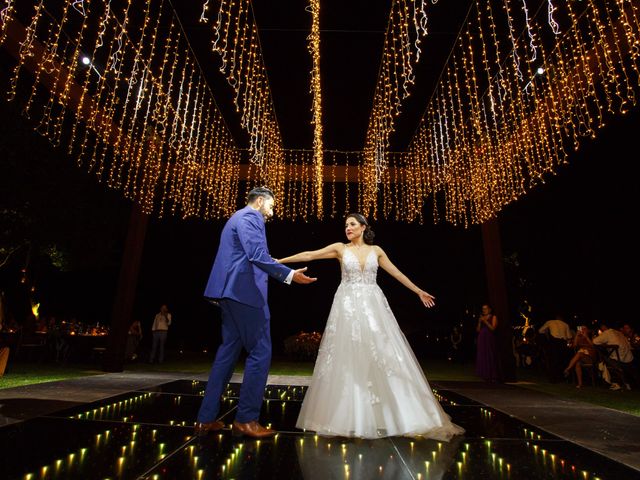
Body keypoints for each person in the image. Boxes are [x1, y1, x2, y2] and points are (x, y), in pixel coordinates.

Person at [278, 213, 463, 440]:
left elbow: (396, 272)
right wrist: (278, 262)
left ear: (364, 227)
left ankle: (398, 413)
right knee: (349, 356)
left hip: (374, 305)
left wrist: (418, 291)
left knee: (384, 353)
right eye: (346, 225)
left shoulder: (377, 251)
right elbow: (310, 254)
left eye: (352, 224)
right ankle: (350, 415)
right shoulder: (340, 248)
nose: (348, 228)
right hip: (347, 306)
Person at [195, 187, 316, 439]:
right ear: (259, 201)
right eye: (270, 206)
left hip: (228, 294)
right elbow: (256, 255)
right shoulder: (251, 218)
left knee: (227, 354)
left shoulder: (235, 218)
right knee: (261, 352)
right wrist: (290, 275)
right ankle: (246, 419)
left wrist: (281, 266)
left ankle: (205, 419)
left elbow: (249, 256)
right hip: (245, 294)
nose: (271, 212)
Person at [538, 314, 572, 382]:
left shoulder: (550, 322)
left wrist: (546, 332)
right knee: (561, 360)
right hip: (562, 343)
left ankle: (553, 378)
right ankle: (561, 377)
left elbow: (540, 331)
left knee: (553, 360)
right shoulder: (565, 324)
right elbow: (569, 337)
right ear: (561, 319)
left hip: (554, 342)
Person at [475, 304, 501, 382]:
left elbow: (493, 328)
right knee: (483, 355)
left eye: (485, 308)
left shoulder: (493, 317)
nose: (484, 310)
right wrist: (479, 322)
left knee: (490, 355)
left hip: (489, 339)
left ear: (490, 309)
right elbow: (478, 330)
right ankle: (484, 375)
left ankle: (492, 375)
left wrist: (485, 321)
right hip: (481, 339)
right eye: (483, 309)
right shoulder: (481, 318)